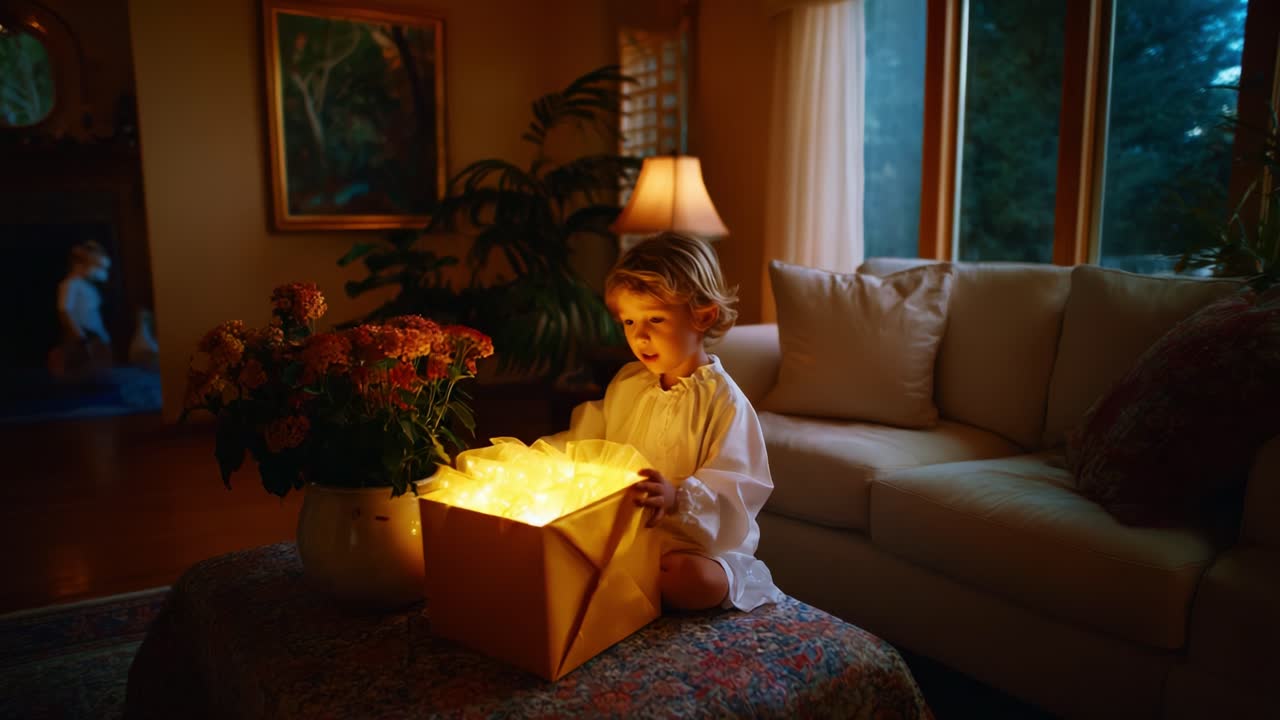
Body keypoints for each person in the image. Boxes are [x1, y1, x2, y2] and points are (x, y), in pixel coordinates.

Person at [544, 232, 785, 612]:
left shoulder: (725, 403)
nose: (640, 336)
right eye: (628, 321)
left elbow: (737, 491)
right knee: (558, 541)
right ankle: (627, 578)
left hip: (695, 546)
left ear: (702, 316)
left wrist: (678, 498)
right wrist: (547, 460)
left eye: (655, 318)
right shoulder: (628, 382)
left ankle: (670, 583)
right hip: (630, 534)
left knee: (693, 579)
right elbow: (591, 436)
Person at [49, 240, 113, 379]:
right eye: (98, 266)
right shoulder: (69, 285)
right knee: (82, 372)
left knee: (100, 372)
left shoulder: (89, 287)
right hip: (83, 337)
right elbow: (64, 311)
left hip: (97, 336)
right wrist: (79, 335)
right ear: (80, 264)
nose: (102, 272)